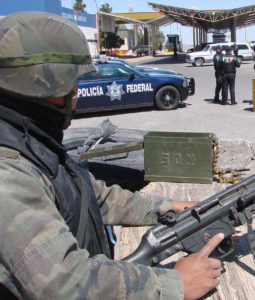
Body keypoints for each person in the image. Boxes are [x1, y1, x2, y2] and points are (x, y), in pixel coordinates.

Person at [0, 12, 224, 300]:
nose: (76, 91)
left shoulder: (30, 136)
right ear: (43, 85)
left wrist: (171, 207)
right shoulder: (8, 171)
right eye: (71, 82)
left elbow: (94, 197)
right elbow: (64, 284)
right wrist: (174, 284)